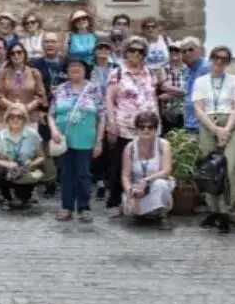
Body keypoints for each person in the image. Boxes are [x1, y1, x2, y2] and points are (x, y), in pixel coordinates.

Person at [104, 36, 159, 217]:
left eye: (140, 51)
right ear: (126, 52)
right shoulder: (118, 73)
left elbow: (153, 98)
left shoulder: (150, 73)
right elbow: (109, 100)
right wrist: (111, 122)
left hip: (147, 127)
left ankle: (143, 201)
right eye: (132, 50)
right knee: (120, 164)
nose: (136, 54)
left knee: (144, 163)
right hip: (124, 125)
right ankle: (114, 201)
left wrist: (158, 121)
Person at [48, 58, 105, 222]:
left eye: (79, 66)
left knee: (83, 174)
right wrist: (53, 130)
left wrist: (99, 141)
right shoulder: (60, 89)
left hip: (86, 139)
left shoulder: (94, 89)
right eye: (71, 66)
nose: (75, 68)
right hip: (63, 139)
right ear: (66, 71)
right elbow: (50, 114)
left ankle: (84, 207)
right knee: (66, 174)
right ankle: (66, 207)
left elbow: (102, 116)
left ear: (85, 70)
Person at [193, 45, 235, 233]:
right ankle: (213, 210)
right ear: (211, 58)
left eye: (224, 59)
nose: (219, 61)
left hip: (230, 123)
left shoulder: (234, 81)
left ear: (228, 62)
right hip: (208, 123)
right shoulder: (201, 81)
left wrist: (226, 130)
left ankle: (225, 212)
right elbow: (198, 109)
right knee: (209, 169)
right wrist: (215, 129)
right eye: (216, 57)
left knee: (230, 167)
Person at [121, 111, 174, 229]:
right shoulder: (130, 148)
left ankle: (162, 215)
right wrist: (130, 191)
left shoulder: (163, 145)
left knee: (161, 184)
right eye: (142, 127)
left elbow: (167, 170)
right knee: (130, 206)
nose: (146, 130)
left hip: (155, 183)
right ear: (136, 129)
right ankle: (139, 213)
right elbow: (125, 176)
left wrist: (147, 180)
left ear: (156, 129)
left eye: (150, 127)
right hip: (137, 188)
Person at [0, 104, 46, 210]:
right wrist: (7, 164)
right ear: (7, 118)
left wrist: (32, 164)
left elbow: (42, 157)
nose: (15, 119)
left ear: (24, 119)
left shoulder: (33, 135)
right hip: (8, 170)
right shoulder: (1, 135)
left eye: (19, 117)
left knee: (22, 200)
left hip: (26, 170)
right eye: (12, 116)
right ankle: (7, 197)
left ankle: (25, 196)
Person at [90, 38, 120, 199]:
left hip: (113, 110)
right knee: (97, 144)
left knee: (112, 145)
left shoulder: (116, 68)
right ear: (95, 51)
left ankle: (110, 178)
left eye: (106, 48)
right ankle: (100, 180)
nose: (103, 51)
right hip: (94, 111)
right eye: (100, 48)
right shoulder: (89, 68)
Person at [0, 43, 46, 126]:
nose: (16, 55)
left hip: (29, 118)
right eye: (12, 53)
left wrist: (26, 108)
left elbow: (40, 96)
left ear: (24, 53)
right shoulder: (1, 73)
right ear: (9, 56)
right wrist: (14, 107)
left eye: (19, 52)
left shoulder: (34, 73)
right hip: (6, 118)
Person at [180, 36, 210, 135]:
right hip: (190, 122)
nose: (187, 53)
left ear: (199, 50)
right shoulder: (186, 70)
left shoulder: (207, 68)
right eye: (184, 51)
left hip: (203, 124)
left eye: (190, 49)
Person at [157, 42, 188, 134]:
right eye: (171, 50)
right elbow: (163, 87)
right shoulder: (163, 69)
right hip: (167, 113)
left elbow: (190, 90)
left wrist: (170, 93)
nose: (173, 53)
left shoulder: (188, 69)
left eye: (177, 50)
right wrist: (183, 92)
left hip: (185, 112)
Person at [31, 32, 67, 99]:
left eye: (53, 42)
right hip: (42, 101)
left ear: (59, 44)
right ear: (42, 45)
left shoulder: (68, 64)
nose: (50, 44)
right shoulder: (34, 65)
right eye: (46, 42)